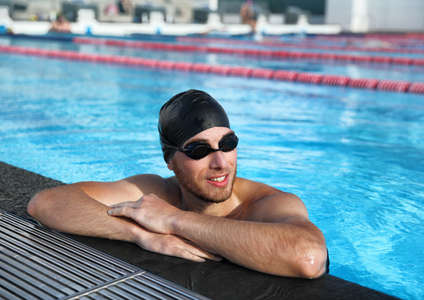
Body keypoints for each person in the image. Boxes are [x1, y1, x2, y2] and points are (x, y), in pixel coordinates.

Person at [27, 89, 328, 278]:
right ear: (169, 160)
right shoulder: (156, 191)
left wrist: (174, 220)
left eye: (227, 143)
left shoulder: (267, 204)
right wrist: (137, 235)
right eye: (199, 150)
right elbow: (47, 203)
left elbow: (309, 258)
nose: (220, 162)